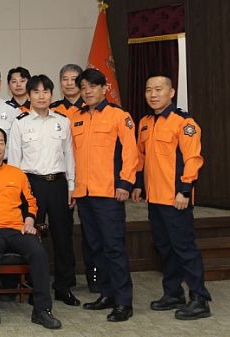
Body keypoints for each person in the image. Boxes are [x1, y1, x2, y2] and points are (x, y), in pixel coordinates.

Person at [0, 127, 61, 331]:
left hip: (18, 230)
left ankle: (42, 310)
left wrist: (30, 220)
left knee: (38, 252)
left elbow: (31, 202)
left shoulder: (17, 174)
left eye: (1, 142)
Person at [132, 73, 211, 320]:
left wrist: (185, 190)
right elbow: (141, 157)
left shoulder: (184, 123)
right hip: (154, 199)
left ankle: (199, 298)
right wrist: (138, 184)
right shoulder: (145, 122)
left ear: (171, 92)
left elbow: (193, 159)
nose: (153, 95)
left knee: (184, 248)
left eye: (158, 89)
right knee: (164, 248)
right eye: (149, 90)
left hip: (176, 199)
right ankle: (173, 293)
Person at [71, 68, 139, 322]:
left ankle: (123, 302)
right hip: (84, 194)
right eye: (83, 87)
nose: (87, 91)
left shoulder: (118, 116)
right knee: (96, 248)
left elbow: (130, 152)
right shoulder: (76, 117)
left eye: (92, 86)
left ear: (104, 88)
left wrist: (125, 183)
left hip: (109, 193)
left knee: (113, 248)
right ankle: (107, 294)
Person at [7, 75, 79, 306]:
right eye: (36, 92)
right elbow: (14, 162)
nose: (41, 96)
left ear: (51, 94)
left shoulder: (63, 121)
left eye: (45, 92)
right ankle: (33, 286)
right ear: (28, 96)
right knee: (30, 237)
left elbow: (69, 156)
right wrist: (17, 192)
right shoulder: (20, 123)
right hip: (31, 184)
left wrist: (71, 186)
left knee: (62, 237)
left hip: (58, 184)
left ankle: (63, 287)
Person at [49, 64, 96, 292]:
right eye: (64, 79)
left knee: (92, 231)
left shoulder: (92, 109)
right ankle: (66, 279)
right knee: (62, 231)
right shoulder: (52, 110)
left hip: (89, 178)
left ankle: (95, 276)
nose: (69, 83)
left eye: (74, 79)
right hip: (61, 180)